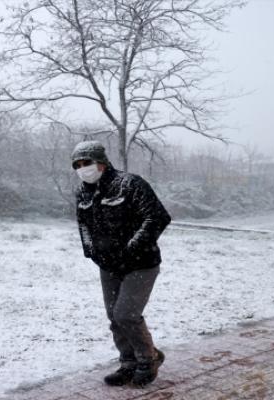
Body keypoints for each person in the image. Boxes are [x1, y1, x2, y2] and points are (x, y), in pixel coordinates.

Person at [71, 140, 171, 387]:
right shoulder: (83, 192)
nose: (83, 168)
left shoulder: (130, 184)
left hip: (141, 264)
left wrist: (131, 249)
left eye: (88, 163)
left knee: (126, 314)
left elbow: (156, 217)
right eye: (78, 165)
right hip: (108, 266)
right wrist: (91, 251)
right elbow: (84, 225)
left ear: (102, 163)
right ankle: (128, 363)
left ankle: (148, 360)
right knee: (114, 317)